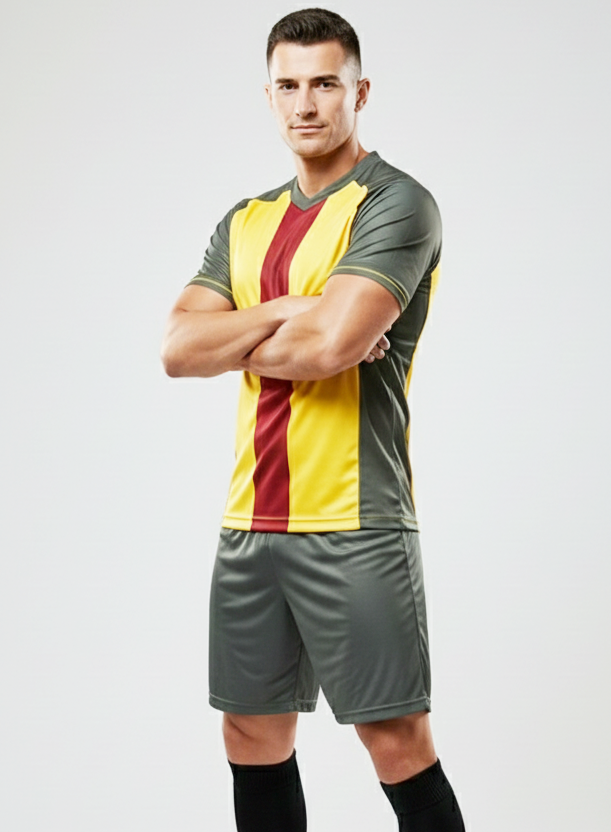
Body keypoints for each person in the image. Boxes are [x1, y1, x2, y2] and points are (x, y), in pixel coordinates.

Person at [162, 9, 465, 831]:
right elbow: (179, 349)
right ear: (268, 96)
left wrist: (250, 333)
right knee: (251, 735)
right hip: (250, 518)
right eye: (289, 85)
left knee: (396, 742)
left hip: (354, 518)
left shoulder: (397, 203)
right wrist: (291, 308)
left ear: (359, 92)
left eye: (326, 83)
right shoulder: (244, 221)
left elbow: (333, 346)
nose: (306, 103)